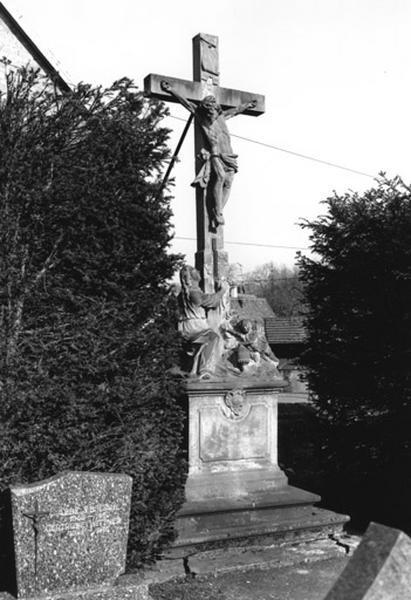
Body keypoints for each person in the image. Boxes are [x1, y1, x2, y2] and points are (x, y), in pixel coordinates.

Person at [161, 80, 256, 230]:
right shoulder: (202, 118)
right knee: (220, 177)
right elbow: (187, 104)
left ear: (217, 110)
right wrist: (171, 90)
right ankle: (218, 212)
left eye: (213, 112)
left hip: (229, 155)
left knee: (228, 182)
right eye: (208, 112)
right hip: (216, 154)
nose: (211, 115)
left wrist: (248, 105)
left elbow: (236, 110)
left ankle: (218, 211)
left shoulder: (223, 117)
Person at [178, 265, 228, 378]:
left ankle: (194, 369)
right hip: (194, 327)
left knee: (203, 345)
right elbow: (212, 301)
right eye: (195, 271)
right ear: (191, 278)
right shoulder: (194, 293)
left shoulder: (183, 294)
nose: (199, 272)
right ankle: (204, 369)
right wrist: (222, 291)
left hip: (186, 326)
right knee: (213, 337)